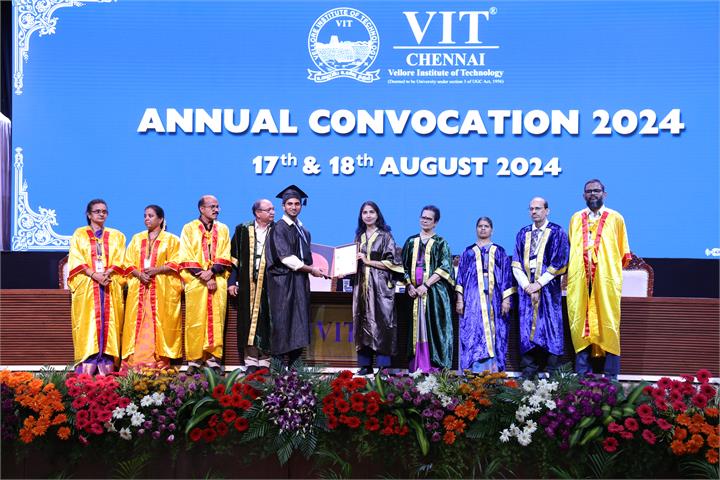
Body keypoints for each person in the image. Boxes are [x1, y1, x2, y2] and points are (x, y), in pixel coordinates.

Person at [567, 179, 631, 380]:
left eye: (596, 190)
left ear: (604, 193)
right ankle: (582, 376)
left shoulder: (616, 218)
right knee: (579, 322)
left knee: (608, 322)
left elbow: (623, 253)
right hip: (580, 281)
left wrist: (606, 271)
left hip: (605, 281)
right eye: (589, 191)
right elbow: (572, 247)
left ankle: (611, 376)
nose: (592, 194)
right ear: (583, 195)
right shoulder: (576, 218)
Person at [265, 185, 326, 367]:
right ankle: (277, 369)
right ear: (283, 206)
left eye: (297, 204)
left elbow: (306, 257)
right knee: (282, 321)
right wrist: (311, 270)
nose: (293, 207)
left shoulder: (303, 230)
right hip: (282, 282)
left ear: (301, 206)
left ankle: (294, 369)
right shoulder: (279, 228)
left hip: (299, 281)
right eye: (290, 204)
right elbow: (286, 259)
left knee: (299, 321)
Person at [67, 199, 126, 375]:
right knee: (88, 323)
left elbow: (120, 259)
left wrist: (107, 273)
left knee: (110, 322)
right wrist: (94, 275)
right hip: (87, 284)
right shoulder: (79, 234)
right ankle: (89, 358)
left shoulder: (117, 236)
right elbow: (76, 259)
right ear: (89, 214)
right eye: (97, 211)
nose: (101, 214)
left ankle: (107, 358)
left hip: (109, 284)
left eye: (104, 211)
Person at [512, 197, 569, 378]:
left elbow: (559, 261)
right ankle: (529, 369)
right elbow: (516, 263)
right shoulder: (523, 233)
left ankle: (552, 371)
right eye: (531, 209)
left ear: (547, 210)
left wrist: (538, 284)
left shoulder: (557, 232)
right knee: (527, 327)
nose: (534, 211)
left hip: (548, 289)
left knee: (551, 326)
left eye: (538, 208)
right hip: (526, 290)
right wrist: (527, 286)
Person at [121, 205, 182, 370]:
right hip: (139, 289)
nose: (146, 219)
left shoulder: (172, 240)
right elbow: (127, 262)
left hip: (161, 290)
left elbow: (177, 262)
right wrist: (139, 274)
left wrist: (157, 270)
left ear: (161, 219)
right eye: (145, 216)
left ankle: (158, 360)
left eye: (151, 216)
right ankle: (135, 361)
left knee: (159, 323)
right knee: (137, 322)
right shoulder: (137, 238)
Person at [178, 195, 232, 374]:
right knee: (195, 320)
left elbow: (225, 254)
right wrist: (205, 277)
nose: (216, 210)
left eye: (217, 206)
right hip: (196, 281)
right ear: (202, 209)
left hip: (217, 280)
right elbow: (185, 255)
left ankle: (213, 359)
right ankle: (194, 360)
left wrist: (213, 272)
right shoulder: (189, 228)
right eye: (212, 207)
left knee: (217, 320)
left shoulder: (223, 229)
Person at [455, 217, 514, 373]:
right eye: (480, 226)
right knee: (474, 329)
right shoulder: (468, 252)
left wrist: (506, 300)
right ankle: (474, 370)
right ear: (476, 229)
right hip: (473, 297)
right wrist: (460, 299)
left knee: (495, 329)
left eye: (486, 226)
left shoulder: (499, 251)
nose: (483, 228)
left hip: (494, 297)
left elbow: (507, 276)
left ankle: (493, 370)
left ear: (491, 230)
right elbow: (460, 277)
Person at [352, 201, 404, 376]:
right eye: (365, 212)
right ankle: (365, 365)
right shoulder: (358, 237)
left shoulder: (386, 236)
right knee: (361, 322)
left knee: (382, 324)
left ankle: (383, 367)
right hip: (361, 286)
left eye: (371, 212)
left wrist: (369, 262)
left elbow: (394, 263)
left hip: (380, 286)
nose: (368, 215)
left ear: (377, 214)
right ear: (361, 216)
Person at [401, 205, 455, 372]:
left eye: (428, 218)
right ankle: (417, 367)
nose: (424, 220)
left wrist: (426, 285)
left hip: (434, 294)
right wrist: (409, 285)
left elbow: (445, 267)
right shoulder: (411, 241)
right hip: (413, 294)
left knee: (434, 329)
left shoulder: (441, 243)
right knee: (415, 330)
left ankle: (434, 368)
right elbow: (402, 266)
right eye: (423, 217)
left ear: (435, 222)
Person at [228, 199, 275, 374]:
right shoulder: (242, 229)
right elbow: (234, 259)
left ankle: (265, 361)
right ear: (258, 213)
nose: (273, 212)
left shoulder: (277, 230)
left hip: (270, 284)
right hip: (247, 284)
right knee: (247, 322)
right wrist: (231, 282)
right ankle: (251, 361)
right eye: (268, 209)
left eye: (273, 209)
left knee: (267, 321)